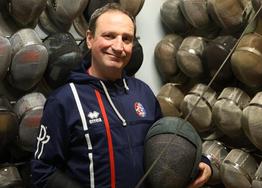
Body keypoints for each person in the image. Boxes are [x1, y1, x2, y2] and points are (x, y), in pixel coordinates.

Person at [31, 3, 212, 188]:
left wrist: (202, 161)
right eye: (109, 36)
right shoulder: (65, 100)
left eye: (126, 39)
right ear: (90, 38)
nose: (118, 47)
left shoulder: (143, 93)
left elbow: (166, 140)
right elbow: (42, 171)